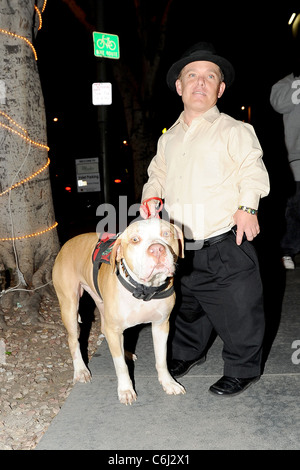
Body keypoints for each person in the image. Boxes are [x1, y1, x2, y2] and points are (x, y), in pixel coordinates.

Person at [139, 42, 270, 396]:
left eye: (210, 77)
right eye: (192, 76)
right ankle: (186, 353)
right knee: (187, 307)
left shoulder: (234, 130)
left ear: (220, 89)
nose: (201, 82)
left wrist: (249, 206)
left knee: (239, 309)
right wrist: (151, 193)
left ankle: (243, 368)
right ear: (180, 87)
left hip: (225, 241)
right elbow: (158, 172)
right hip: (181, 243)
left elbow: (252, 170)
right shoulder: (170, 138)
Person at [270, 71, 300, 270]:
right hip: (296, 157)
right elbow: (278, 104)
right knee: (294, 208)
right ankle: (286, 250)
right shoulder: (285, 83)